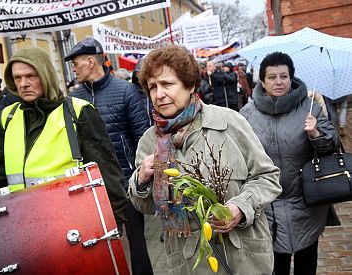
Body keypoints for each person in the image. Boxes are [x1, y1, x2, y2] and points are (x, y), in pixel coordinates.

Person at [128, 45, 282, 275]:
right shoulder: (150, 142)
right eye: (153, 87)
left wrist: (240, 207)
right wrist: (140, 181)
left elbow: (268, 177)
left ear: (190, 85)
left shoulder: (229, 122)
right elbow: (146, 206)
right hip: (190, 264)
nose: (159, 94)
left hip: (243, 259)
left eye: (168, 84)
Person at [0, 46, 128, 231]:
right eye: (17, 78)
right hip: (23, 228)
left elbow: (106, 171)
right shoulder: (5, 118)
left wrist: (114, 221)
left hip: (76, 225)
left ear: (46, 76)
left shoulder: (78, 111)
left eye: (31, 76)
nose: (23, 83)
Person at [239, 52, 339, 275]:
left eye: (284, 76)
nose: (278, 81)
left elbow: (332, 146)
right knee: (276, 266)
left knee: (306, 264)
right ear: (262, 81)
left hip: (306, 202)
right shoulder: (247, 114)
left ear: (291, 78)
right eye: (272, 77)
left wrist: (317, 133)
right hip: (267, 205)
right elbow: (239, 155)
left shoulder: (310, 108)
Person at [64, 38, 154, 275]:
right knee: (99, 247)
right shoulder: (72, 100)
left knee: (138, 247)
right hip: (92, 190)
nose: (73, 69)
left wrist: (140, 180)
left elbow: (142, 141)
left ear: (91, 61)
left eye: (76, 63)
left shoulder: (126, 92)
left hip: (125, 184)